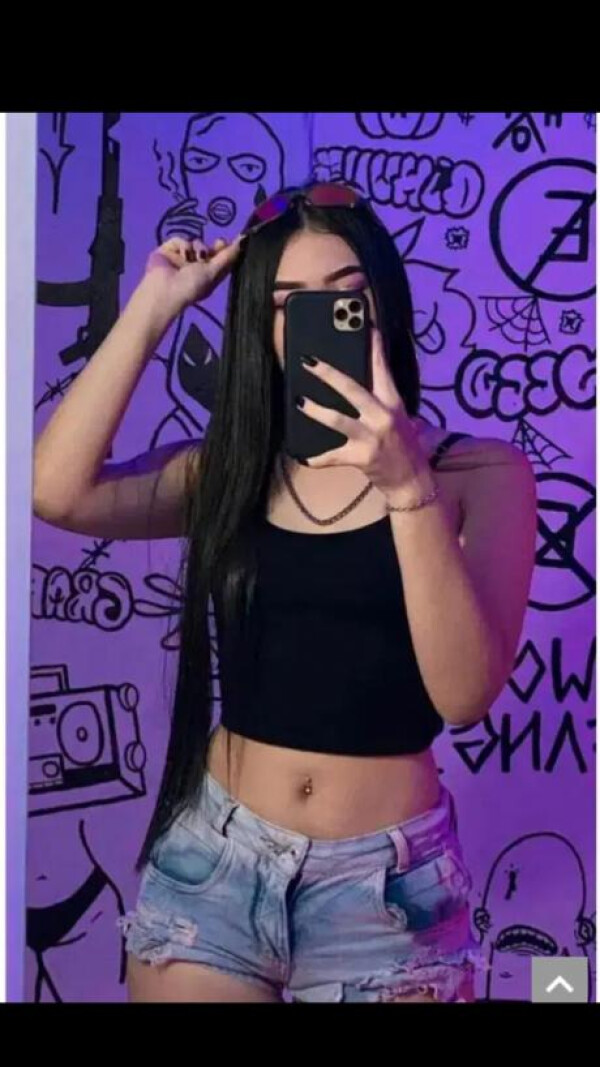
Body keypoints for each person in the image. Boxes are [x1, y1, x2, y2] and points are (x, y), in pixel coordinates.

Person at [33, 181, 538, 1004]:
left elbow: (464, 694)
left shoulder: (480, 473)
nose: (319, 324)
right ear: (261, 330)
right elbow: (57, 490)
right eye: (286, 306)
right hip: (216, 866)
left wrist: (407, 488)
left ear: (385, 306)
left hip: (385, 893)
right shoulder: (229, 469)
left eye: (346, 299)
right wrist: (156, 306)